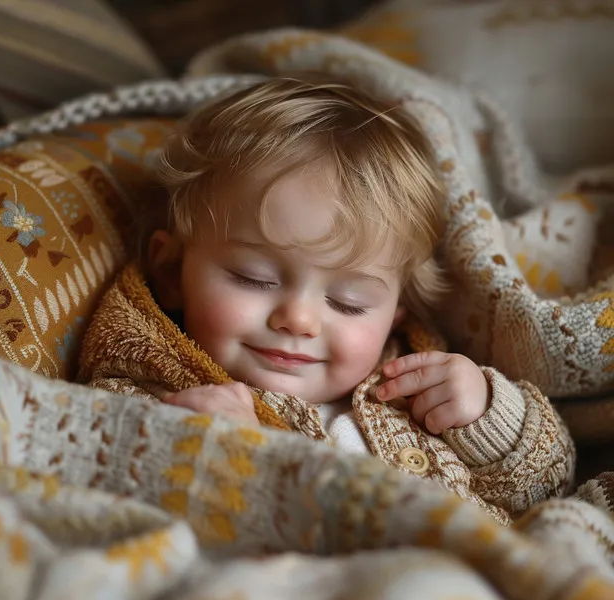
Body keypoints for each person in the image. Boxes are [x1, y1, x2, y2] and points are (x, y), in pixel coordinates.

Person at [79, 76, 575, 525]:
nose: (298, 319)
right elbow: (100, 501)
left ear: (393, 314)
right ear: (170, 272)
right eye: (253, 278)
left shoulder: (416, 386)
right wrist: (213, 455)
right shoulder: (154, 397)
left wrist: (487, 414)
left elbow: (551, 483)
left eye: (350, 302)